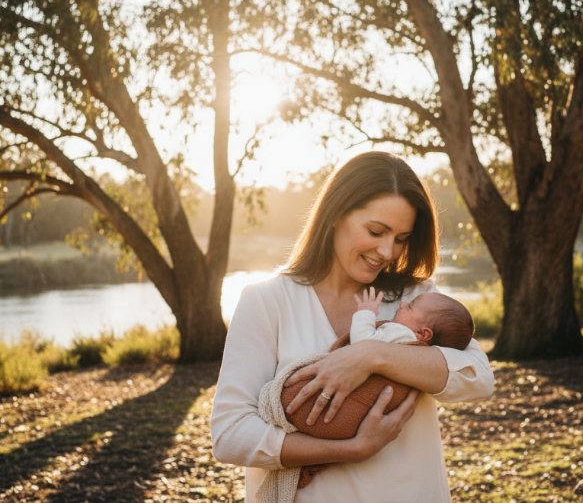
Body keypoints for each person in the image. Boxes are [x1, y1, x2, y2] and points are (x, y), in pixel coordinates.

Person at [211, 151, 495, 503]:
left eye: (402, 238)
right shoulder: (267, 300)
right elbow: (230, 434)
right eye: (376, 231)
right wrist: (350, 448)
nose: (388, 251)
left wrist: (372, 355)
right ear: (335, 214)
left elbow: (477, 378)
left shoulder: (415, 300)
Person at [349, 286, 474, 350]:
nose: (402, 304)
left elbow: (361, 345)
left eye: (410, 306)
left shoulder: (404, 336)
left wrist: (366, 313)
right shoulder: (410, 345)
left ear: (422, 334)